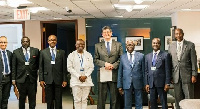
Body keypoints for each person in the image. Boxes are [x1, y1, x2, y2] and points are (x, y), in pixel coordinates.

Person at [94, 26, 123, 109]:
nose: (106, 34)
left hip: (114, 73)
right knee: (101, 98)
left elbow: (121, 58)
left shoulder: (118, 44)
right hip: (102, 73)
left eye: (108, 32)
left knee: (114, 98)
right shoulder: (97, 45)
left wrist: (113, 66)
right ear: (102, 34)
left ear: (111, 33)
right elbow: (95, 60)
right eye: (104, 32)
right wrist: (105, 64)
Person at [168, 28, 197, 109]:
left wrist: (194, 74)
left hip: (187, 76)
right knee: (178, 98)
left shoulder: (190, 45)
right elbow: (169, 62)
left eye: (180, 33)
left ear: (183, 34)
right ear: (175, 35)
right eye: (176, 34)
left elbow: (193, 61)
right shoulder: (171, 46)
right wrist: (170, 76)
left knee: (189, 98)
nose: (178, 35)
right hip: (175, 77)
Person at [39, 35, 67, 109]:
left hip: (59, 79)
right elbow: (41, 67)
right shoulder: (43, 52)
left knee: (58, 100)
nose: (52, 41)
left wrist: (64, 79)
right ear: (48, 41)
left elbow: (64, 67)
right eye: (51, 40)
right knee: (49, 100)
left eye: (54, 40)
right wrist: (41, 79)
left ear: (56, 41)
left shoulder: (62, 52)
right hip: (47, 79)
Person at [12, 36, 39, 109]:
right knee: (21, 99)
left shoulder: (35, 51)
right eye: (24, 41)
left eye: (27, 41)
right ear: (21, 43)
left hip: (32, 79)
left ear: (29, 42)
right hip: (20, 80)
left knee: (32, 99)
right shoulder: (16, 52)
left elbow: (38, 64)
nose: (25, 43)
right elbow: (14, 66)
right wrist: (13, 79)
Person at [67, 39, 94, 109]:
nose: (80, 45)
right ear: (76, 45)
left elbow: (91, 67)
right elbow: (69, 68)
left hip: (86, 80)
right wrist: (79, 76)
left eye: (82, 44)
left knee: (84, 100)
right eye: (79, 44)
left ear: (84, 45)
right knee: (77, 100)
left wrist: (86, 76)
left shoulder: (89, 55)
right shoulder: (71, 55)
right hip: (76, 81)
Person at [117, 40, 144, 109]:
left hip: (138, 82)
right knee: (127, 104)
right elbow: (120, 72)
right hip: (126, 83)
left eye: (131, 45)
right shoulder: (122, 57)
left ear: (134, 46)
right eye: (128, 45)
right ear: (126, 46)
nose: (130, 46)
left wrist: (145, 83)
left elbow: (144, 71)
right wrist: (119, 85)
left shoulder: (141, 56)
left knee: (139, 103)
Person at [145, 38, 171, 109]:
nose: (155, 44)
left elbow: (168, 70)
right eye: (154, 43)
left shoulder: (165, 55)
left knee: (164, 103)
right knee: (153, 103)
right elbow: (146, 71)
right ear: (152, 44)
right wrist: (147, 83)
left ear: (160, 44)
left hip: (162, 83)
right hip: (151, 83)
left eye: (157, 43)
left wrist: (167, 83)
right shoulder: (147, 56)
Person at [0, 36, 12, 109]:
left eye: (4, 42)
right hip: (0, 79)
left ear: (7, 43)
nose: (3, 44)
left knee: (5, 99)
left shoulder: (10, 54)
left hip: (8, 79)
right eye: (1, 42)